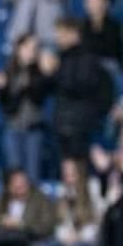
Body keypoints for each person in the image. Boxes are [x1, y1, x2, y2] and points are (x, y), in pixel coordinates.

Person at [40, 17, 112, 162]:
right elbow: (48, 89)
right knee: (67, 169)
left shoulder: (87, 57)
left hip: (81, 124)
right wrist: (46, 74)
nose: (57, 38)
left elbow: (82, 87)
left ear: (74, 34)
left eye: (61, 33)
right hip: (62, 122)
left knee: (80, 166)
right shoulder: (60, 57)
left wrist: (55, 71)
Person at [0, 33, 50, 180]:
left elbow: (39, 98)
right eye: (28, 47)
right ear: (19, 48)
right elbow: (5, 105)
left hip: (33, 128)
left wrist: (31, 82)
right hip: (13, 127)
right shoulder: (8, 72)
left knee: (33, 174)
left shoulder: (39, 72)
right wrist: (0, 90)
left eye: (34, 48)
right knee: (15, 174)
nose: (31, 51)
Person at [0, 168, 57, 246]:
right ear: (9, 187)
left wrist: (22, 224)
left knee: (20, 244)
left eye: (23, 182)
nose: (21, 185)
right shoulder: (2, 200)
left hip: (30, 241)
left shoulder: (40, 199)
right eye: (17, 183)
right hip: (6, 241)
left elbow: (47, 227)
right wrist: (4, 223)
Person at [43, 157, 102, 246]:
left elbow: (97, 223)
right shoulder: (61, 190)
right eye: (66, 174)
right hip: (66, 239)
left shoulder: (92, 189)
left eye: (72, 174)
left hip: (86, 240)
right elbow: (59, 223)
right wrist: (65, 237)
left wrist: (79, 237)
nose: (69, 179)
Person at [80, 0, 123, 74]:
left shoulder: (113, 26)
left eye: (94, 0)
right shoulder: (82, 26)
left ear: (105, 2)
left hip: (108, 67)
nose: (90, 4)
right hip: (89, 67)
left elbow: (111, 51)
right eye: (88, 0)